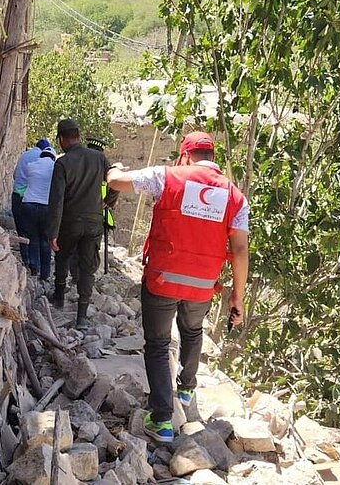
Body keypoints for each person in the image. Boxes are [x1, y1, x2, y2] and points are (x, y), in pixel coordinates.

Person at [106, 131, 249, 443]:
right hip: (202, 285)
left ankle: (161, 420)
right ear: (213, 159)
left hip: (163, 279)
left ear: (185, 155)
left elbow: (118, 183)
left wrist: (113, 171)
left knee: (158, 345)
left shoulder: (166, 177)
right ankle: (185, 390)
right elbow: (239, 250)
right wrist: (237, 295)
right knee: (192, 331)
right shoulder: (235, 196)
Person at [48, 119, 111, 329]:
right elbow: (115, 181)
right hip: (94, 222)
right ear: (79, 137)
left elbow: (56, 201)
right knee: (87, 268)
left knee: (62, 256)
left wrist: (53, 232)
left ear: (62, 140)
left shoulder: (62, 163)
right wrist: (108, 202)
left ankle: (58, 296)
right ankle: (82, 316)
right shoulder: (99, 158)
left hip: (70, 221)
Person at [68, 136, 118, 280]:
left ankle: (76, 276)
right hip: (97, 215)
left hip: (76, 213)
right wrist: (108, 202)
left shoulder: (77, 164)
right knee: (91, 249)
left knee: (75, 247)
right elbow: (115, 184)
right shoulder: (103, 164)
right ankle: (85, 279)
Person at [12, 138, 51, 264]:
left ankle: (25, 259)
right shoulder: (41, 158)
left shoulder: (24, 155)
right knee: (35, 234)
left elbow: (14, 175)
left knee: (22, 231)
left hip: (16, 195)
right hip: (29, 199)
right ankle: (35, 263)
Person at [22, 146, 57, 280]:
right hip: (46, 207)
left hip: (29, 204)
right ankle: (45, 274)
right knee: (45, 240)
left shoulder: (31, 165)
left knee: (33, 238)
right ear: (52, 157)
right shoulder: (54, 167)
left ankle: (33, 267)